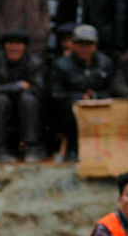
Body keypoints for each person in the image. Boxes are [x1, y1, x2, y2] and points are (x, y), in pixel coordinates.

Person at [49, 24, 114, 161]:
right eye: (80, 44)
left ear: (95, 45)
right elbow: (56, 92)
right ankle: (74, 149)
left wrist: (95, 96)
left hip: (99, 102)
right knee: (71, 108)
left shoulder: (106, 63)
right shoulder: (61, 65)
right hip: (71, 106)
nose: (85, 48)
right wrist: (79, 97)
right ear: (73, 45)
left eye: (89, 44)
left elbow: (112, 87)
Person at [0, 29, 46, 164]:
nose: (14, 47)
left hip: (26, 106)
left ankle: (31, 147)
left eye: (18, 43)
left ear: (24, 46)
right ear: (4, 46)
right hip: (1, 104)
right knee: (0, 101)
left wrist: (20, 92)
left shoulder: (35, 62)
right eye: (10, 43)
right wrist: (17, 87)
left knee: (28, 100)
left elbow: (39, 88)